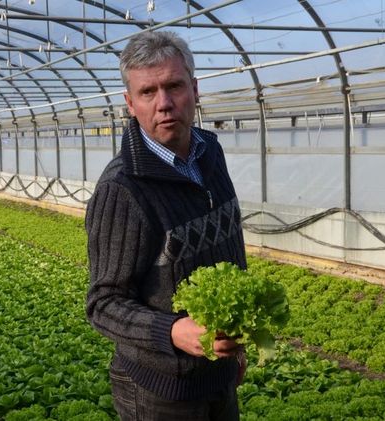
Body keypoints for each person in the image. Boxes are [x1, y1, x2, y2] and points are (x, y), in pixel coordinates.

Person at [85, 30, 247, 421]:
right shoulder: (122, 188)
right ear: (130, 103)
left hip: (218, 374)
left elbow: (230, 247)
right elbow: (102, 304)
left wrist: (237, 343)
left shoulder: (211, 153)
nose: (164, 103)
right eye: (148, 92)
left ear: (195, 89)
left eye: (174, 86)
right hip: (160, 391)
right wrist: (173, 331)